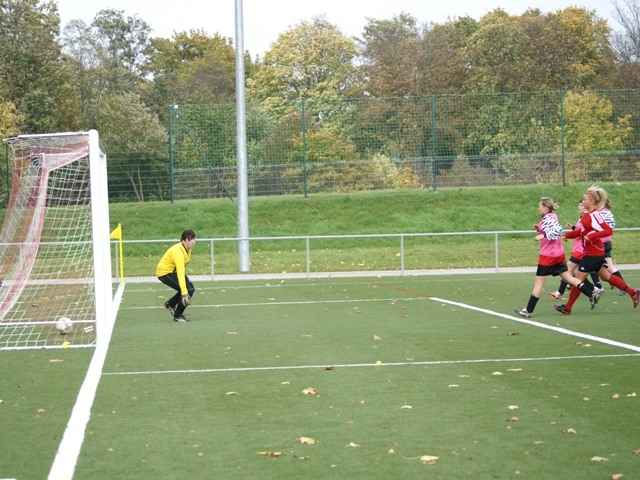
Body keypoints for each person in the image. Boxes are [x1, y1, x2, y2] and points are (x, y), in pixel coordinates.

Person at [553, 186, 639, 315]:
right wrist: (568, 235)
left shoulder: (595, 215)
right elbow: (581, 231)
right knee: (606, 276)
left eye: (585, 199)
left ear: (593, 201)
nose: (583, 202)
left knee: (578, 279)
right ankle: (633, 292)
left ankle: (567, 308)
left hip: (594, 252)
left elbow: (608, 230)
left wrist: (592, 236)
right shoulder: (586, 215)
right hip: (592, 251)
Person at [514, 197, 598, 318]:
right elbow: (552, 229)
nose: (538, 208)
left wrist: (542, 235)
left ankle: (528, 310)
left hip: (548, 256)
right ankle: (591, 294)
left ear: (545, 207)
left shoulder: (548, 218)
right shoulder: (552, 216)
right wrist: (539, 228)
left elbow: (558, 231)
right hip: (558, 254)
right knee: (569, 278)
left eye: (540, 206)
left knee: (539, 282)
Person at [548, 200, 587, 300]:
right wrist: (573, 228)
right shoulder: (582, 217)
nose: (579, 207)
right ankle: (594, 290)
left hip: (581, 249)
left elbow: (581, 232)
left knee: (567, 270)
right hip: (578, 248)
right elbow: (580, 231)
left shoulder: (586, 217)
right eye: (579, 205)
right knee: (576, 273)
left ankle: (559, 292)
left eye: (582, 205)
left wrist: (567, 236)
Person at [156, 229, 197, 322]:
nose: (193, 241)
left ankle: (170, 304)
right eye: (189, 239)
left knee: (191, 289)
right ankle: (177, 315)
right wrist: (184, 292)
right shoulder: (178, 251)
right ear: (183, 241)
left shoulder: (187, 248)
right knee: (187, 290)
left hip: (173, 271)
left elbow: (181, 268)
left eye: (194, 239)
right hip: (164, 273)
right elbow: (180, 271)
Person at [600, 197, 626, 296]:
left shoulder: (605, 212)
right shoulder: (600, 212)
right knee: (610, 267)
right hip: (603, 242)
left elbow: (611, 226)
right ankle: (623, 286)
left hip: (603, 243)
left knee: (587, 267)